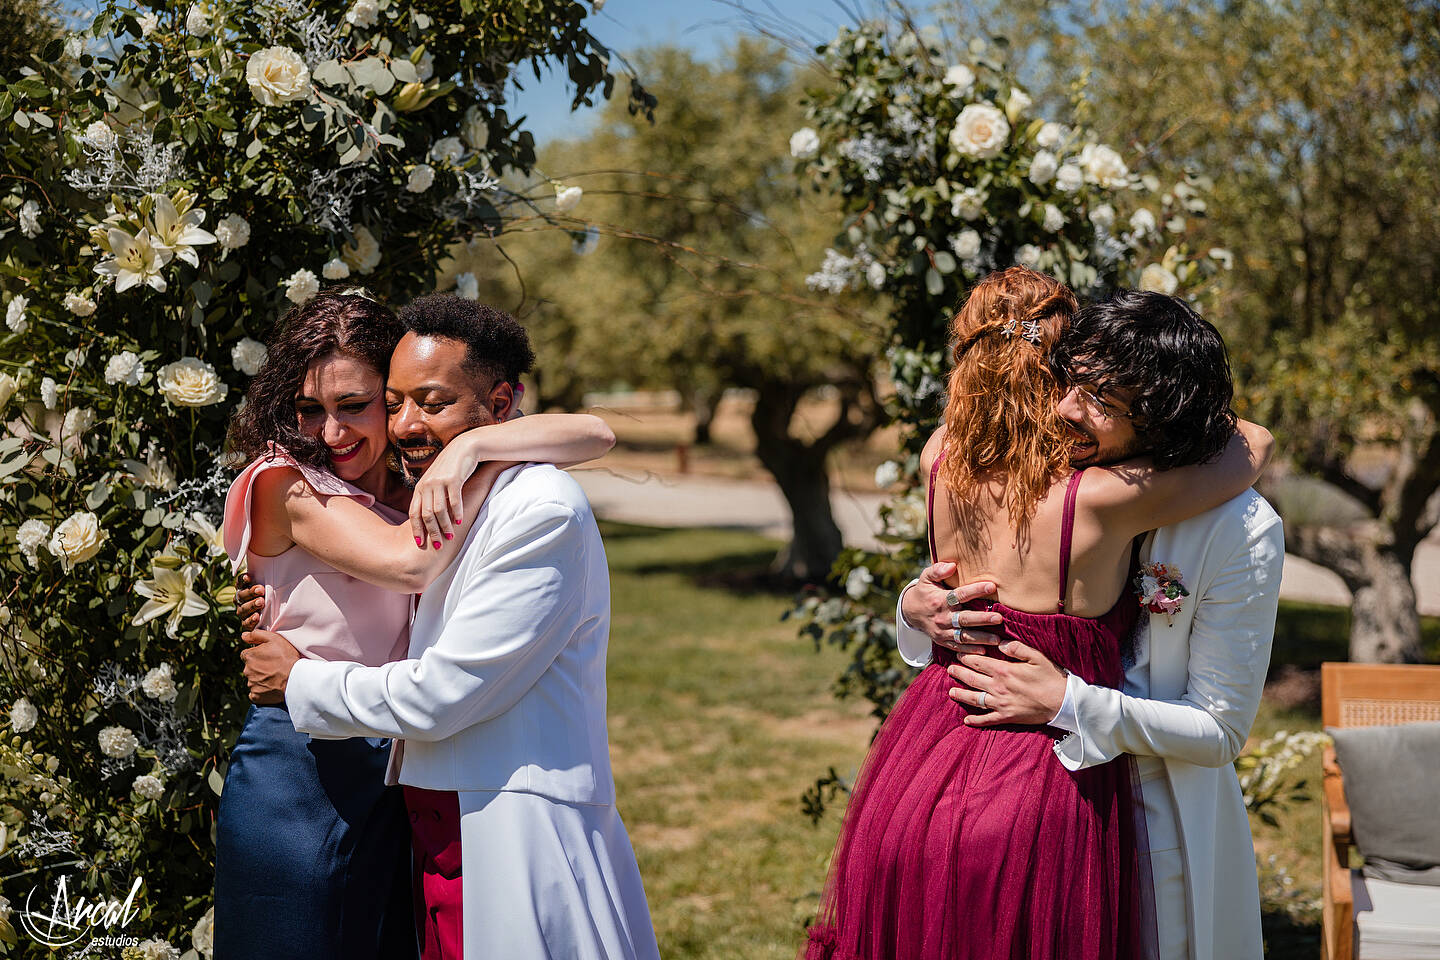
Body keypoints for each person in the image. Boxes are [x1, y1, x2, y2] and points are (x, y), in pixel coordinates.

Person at [803, 268, 1274, 960]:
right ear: (1052, 367)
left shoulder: (939, 455)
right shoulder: (1099, 499)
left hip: (923, 750)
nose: (1069, 407)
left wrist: (914, 598)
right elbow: (1252, 445)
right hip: (1037, 764)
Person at [237, 294, 661, 960]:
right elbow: (409, 567)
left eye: (358, 404)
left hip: (419, 773)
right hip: (310, 764)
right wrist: (472, 452)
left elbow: (598, 435)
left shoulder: (437, 496)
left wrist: (476, 450)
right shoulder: (291, 483)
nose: (333, 430)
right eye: (309, 409)